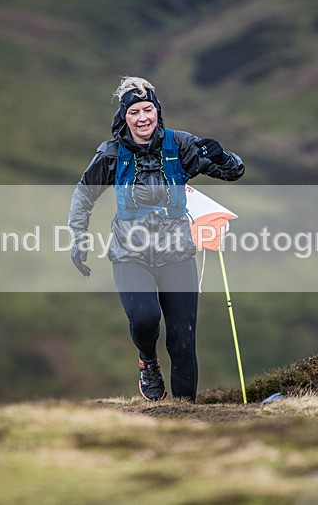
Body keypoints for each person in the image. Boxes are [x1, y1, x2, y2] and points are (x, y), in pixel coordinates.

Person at [67, 76, 245, 402]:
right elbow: (84, 194)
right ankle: (148, 361)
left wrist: (223, 157)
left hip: (178, 253)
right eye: (134, 112)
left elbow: (234, 172)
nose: (142, 118)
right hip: (130, 253)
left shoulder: (181, 145)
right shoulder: (111, 154)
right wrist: (78, 237)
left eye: (147, 109)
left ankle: (184, 412)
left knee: (182, 341)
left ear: (157, 111)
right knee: (145, 319)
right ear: (124, 117)